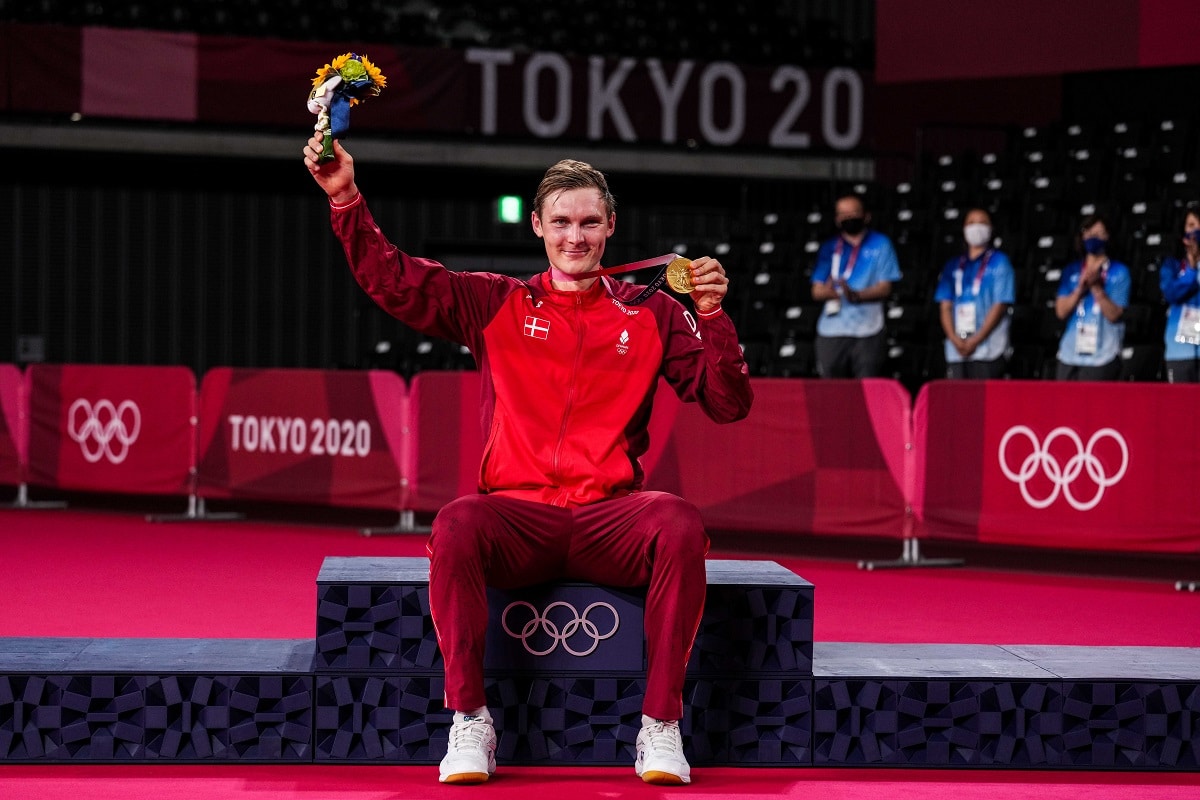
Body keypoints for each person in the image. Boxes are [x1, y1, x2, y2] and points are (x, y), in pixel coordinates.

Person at [303, 131, 753, 786]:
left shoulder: (652, 311)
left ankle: (660, 726)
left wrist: (711, 317)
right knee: (456, 523)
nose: (576, 236)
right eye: (563, 222)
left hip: (610, 521)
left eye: (590, 222)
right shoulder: (496, 302)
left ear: (610, 227)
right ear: (538, 225)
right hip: (517, 518)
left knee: (679, 523)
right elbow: (394, 281)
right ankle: (471, 721)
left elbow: (726, 402)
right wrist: (344, 197)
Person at [809, 193, 902, 378]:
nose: (849, 217)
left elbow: (885, 287)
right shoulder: (830, 247)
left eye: (854, 212)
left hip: (868, 329)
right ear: (837, 219)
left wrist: (856, 295)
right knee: (832, 392)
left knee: (867, 391)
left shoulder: (881, 244)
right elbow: (816, 291)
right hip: (831, 329)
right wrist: (829, 292)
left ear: (866, 216)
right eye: (843, 214)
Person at [932, 207, 1016, 379]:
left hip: (988, 348)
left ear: (991, 229)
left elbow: (1000, 305)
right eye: (971, 223)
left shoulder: (1000, 262)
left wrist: (976, 339)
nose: (976, 227)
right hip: (956, 349)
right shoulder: (952, 265)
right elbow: (945, 307)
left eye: (982, 223)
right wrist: (954, 339)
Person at [1053, 213, 1131, 380]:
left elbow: (1114, 314)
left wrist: (1096, 288)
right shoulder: (1071, 271)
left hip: (1103, 356)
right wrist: (1080, 289)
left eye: (1098, 233)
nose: (1092, 237)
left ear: (1108, 237)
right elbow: (1061, 312)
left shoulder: (1119, 272)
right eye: (1088, 233)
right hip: (1069, 354)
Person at [1159, 202, 1200, 382]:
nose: (1197, 230)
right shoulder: (1172, 266)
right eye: (1191, 225)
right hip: (1180, 350)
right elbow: (1171, 294)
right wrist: (1191, 269)